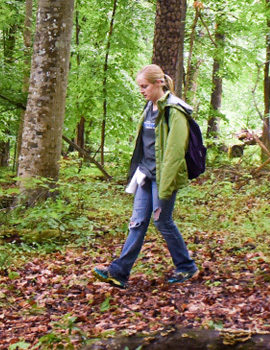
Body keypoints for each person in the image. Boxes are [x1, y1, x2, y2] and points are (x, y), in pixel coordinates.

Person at [92, 64, 199, 289]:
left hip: (164, 177)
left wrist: (166, 185)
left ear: (159, 83)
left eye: (145, 86)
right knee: (137, 222)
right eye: (140, 87)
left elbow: (174, 151)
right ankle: (119, 272)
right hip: (145, 174)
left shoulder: (174, 110)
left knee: (162, 221)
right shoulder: (148, 108)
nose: (142, 90)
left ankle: (186, 267)